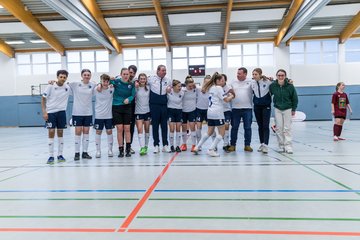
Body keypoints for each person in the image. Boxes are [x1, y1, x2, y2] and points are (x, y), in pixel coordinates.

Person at [193, 72, 235, 157]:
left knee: (209, 132)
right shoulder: (219, 88)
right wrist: (232, 96)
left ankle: (197, 147)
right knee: (222, 133)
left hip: (210, 112)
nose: (223, 82)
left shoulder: (211, 87)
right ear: (218, 80)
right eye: (222, 80)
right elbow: (226, 100)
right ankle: (211, 149)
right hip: (217, 112)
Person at [41, 70, 71, 164]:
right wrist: (44, 112)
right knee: (51, 131)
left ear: (66, 78)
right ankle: (51, 156)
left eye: (64, 77)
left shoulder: (67, 87)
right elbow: (43, 99)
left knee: (60, 132)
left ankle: (60, 154)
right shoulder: (50, 86)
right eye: (61, 77)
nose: (62, 78)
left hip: (62, 112)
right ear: (57, 77)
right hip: (51, 112)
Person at [69, 69, 97, 161]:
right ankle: (76, 153)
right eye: (85, 75)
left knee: (86, 132)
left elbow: (100, 87)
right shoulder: (75, 84)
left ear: (90, 76)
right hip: (77, 112)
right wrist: (53, 82)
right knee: (78, 132)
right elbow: (63, 84)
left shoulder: (92, 85)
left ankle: (85, 152)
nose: (86, 76)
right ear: (82, 75)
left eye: (88, 75)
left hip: (88, 113)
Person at [269, 69, 298, 154]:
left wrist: (294, 109)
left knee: (287, 128)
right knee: (279, 128)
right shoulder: (273, 85)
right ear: (276, 76)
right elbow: (269, 94)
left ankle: (288, 146)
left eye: (282, 75)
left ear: (285, 76)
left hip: (288, 108)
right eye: (279, 75)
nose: (281, 77)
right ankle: (281, 145)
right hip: (277, 108)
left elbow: (295, 98)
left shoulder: (290, 86)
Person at [111, 68, 136, 157]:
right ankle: (121, 149)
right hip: (116, 107)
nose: (126, 76)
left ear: (129, 75)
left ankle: (128, 149)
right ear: (121, 74)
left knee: (127, 129)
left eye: (127, 74)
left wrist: (128, 99)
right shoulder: (116, 82)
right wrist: (111, 79)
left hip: (127, 108)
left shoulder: (131, 85)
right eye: (124, 74)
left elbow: (133, 95)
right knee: (119, 129)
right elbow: (106, 81)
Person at [228, 67, 253, 152]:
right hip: (235, 109)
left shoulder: (251, 81)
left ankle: (247, 145)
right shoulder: (233, 81)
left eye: (239, 73)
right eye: (237, 73)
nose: (237, 75)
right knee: (234, 127)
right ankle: (232, 145)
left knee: (248, 128)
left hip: (248, 109)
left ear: (245, 74)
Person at [148, 65, 171, 153]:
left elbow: (174, 88)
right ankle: (156, 145)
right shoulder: (151, 79)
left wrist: (170, 88)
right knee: (155, 126)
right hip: (154, 106)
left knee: (164, 126)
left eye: (165, 70)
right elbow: (138, 80)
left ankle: (165, 145)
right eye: (163, 70)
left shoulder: (168, 80)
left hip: (164, 105)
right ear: (157, 71)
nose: (164, 72)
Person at [251, 68, 272, 154]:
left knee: (265, 126)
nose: (254, 76)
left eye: (256, 74)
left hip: (266, 106)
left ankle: (266, 145)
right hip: (257, 107)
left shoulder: (267, 82)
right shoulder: (252, 83)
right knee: (260, 126)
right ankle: (262, 143)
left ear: (260, 74)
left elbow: (277, 81)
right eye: (253, 74)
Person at [93, 74, 114, 158]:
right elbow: (93, 83)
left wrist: (112, 80)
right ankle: (98, 151)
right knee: (98, 132)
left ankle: (110, 150)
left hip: (109, 115)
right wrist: (98, 84)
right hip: (99, 115)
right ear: (101, 81)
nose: (105, 83)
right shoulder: (96, 89)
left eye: (107, 81)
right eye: (103, 81)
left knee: (109, 131)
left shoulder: (112, 89)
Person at [134, 73, 151, 155]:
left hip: (147, 111)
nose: (143, 80)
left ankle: (146, 146)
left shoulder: (149, 88)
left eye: (144, 79)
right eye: (141, 79)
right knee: (140, 129)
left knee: (147, 129)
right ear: (139, 79)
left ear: (146, 80)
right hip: (138, 111)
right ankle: (142, 147)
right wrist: (135, 83)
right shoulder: (136, 87)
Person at [180, 76, 198, 152]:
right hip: (183, 111)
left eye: (192, 85)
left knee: (192, 128)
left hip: (192, 111)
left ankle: (194, 145)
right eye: (189, 86)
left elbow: (204, 88)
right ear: (186, 85)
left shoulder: (196, 89)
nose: (191, 87)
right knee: (184, 129)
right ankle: (184, 144)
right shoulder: (182, 90)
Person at [195, 75, 211, 151]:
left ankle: (214, 145)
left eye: (209, 82)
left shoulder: (212, 90)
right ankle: (199, 145)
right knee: (198, 128)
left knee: (211, 128)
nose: (207, 83)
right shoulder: (198, 88)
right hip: (199, 110)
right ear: (203, 81)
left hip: (209, 111)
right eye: (206, 82)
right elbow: (188, 87)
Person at [167, 80, 184, 153]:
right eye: (178, 86)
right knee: (172, 128)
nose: (180, 88)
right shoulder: (169, 91)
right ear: (173, 86)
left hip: (179, 111)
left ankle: (177, 146)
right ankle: (171, 146)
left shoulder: (182, 92)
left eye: (180, 86)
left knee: (178, 128)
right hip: (170, 110)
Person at [220, 74, 232, 151]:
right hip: (218, 110)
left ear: (225, 80)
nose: (221, 81)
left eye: (222, 80)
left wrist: (229, 96)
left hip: (227, 110)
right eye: (220, 80)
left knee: (226, 125)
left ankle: (226, 143)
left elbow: (231, 96)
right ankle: (216, 145)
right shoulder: (216, 88)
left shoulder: (228, 88)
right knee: (220, 128)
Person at [128, 65, 138, 154]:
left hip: (132, 107)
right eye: (130, 72)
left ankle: (129, 145)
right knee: (122, 128)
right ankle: (121, 146)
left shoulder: (136, 82)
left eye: (133, 73)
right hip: (121, 106)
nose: (131, 74)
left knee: (131, 128)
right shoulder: (120, 79)